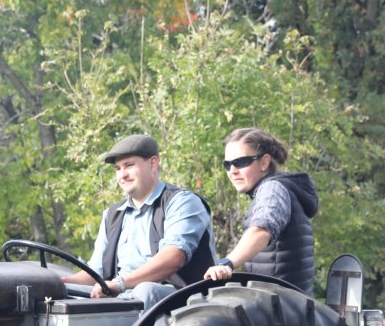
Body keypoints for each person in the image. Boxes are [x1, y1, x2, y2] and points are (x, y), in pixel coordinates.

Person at [62, 133, 216, 305]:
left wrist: (120, 284)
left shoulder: (182, 202)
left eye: (129, 165)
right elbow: (95, 273)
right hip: (122, 298)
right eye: (117, 169)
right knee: (63, 294)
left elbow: (173, 257)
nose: (122, 175)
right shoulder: (112, 215)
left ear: (153, 164)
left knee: (145, 290)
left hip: (181, 300)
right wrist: (60, 282)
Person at [203, 128, 318, 294]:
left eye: (241, 162)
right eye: (227, 165)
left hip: (280, 302)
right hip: (283, 300)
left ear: (264, 162)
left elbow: (262, 230)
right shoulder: (275, 189)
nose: (232, 171)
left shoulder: (272, 189)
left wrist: (227, 263)